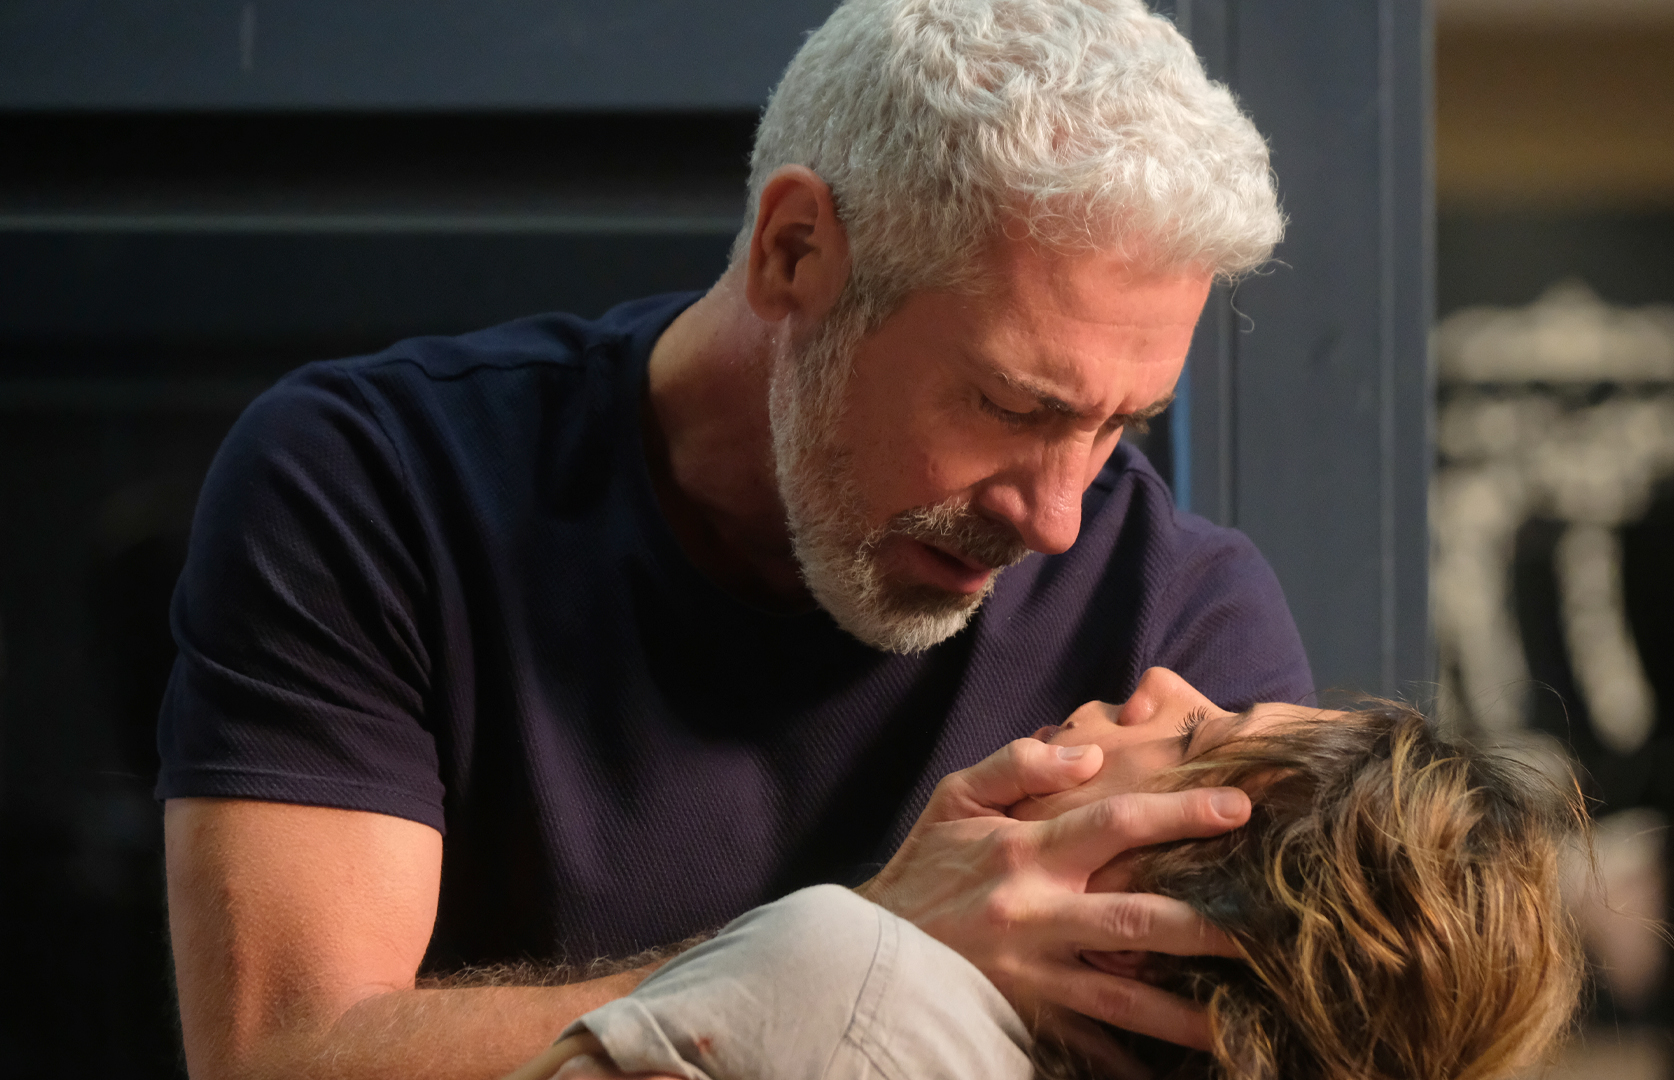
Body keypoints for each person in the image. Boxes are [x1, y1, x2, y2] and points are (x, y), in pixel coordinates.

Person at [157, 2, 1307, 1078]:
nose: (1056, 519)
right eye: (1012, 406)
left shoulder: (1176, 621)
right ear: (793, 252)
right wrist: (864, 948)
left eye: (1118, 426)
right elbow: (280, 1055)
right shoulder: (381, 484)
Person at [505, 668, 1587, 1080]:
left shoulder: (836, 981)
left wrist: (875, 931)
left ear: (1138, 926)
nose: (1159, 680)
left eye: (1197, 732)